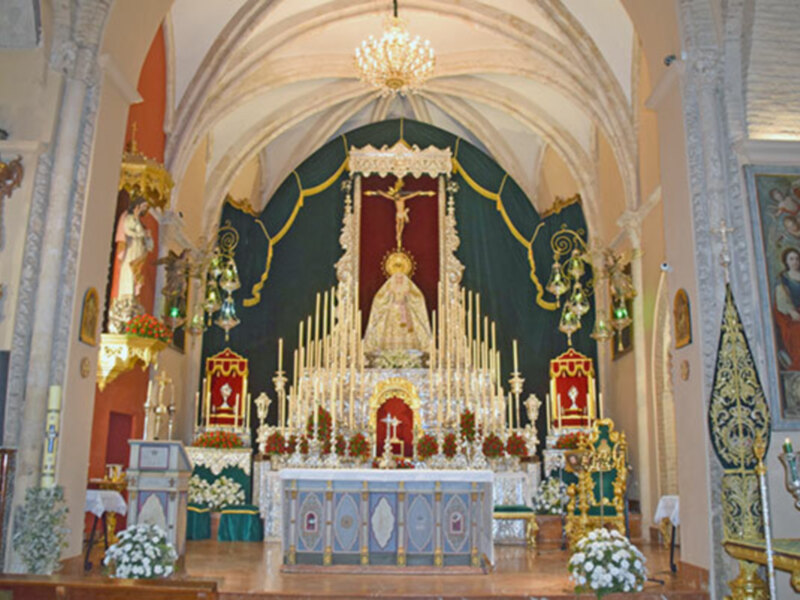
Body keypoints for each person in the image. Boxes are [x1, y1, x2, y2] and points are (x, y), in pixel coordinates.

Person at [363, 271, 432, 355]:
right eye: (397, 278)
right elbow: (380, 297)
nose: (399, 280)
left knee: (407, 330)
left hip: (405, 310)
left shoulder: (407, 287)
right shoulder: (390, 287)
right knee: (391, 329)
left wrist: (409, 296)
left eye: (401, 278)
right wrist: (388, 295)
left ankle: (408, 349)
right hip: (393, 310)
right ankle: (389, 350)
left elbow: (417, 297)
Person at [114, 197, 153, 301]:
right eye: (143, 206)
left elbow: (150, 246)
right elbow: (127, 231)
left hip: (139, 250)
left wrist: (148, 237)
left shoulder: (141, 224)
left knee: (136, 274)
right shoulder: (129, 218)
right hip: (131, 248)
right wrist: (142, 233)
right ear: (137, 206)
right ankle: (126, 297)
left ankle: (132, 297)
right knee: (129, 270)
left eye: (146, 207)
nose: (145, 209)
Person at [775, 247, 800, 369]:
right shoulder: (783, 279)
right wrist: (792, 311)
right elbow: (782, 300)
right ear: (786, 261)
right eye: (791, 259)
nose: (795, 262)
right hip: (792, 315)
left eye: (797, 259)